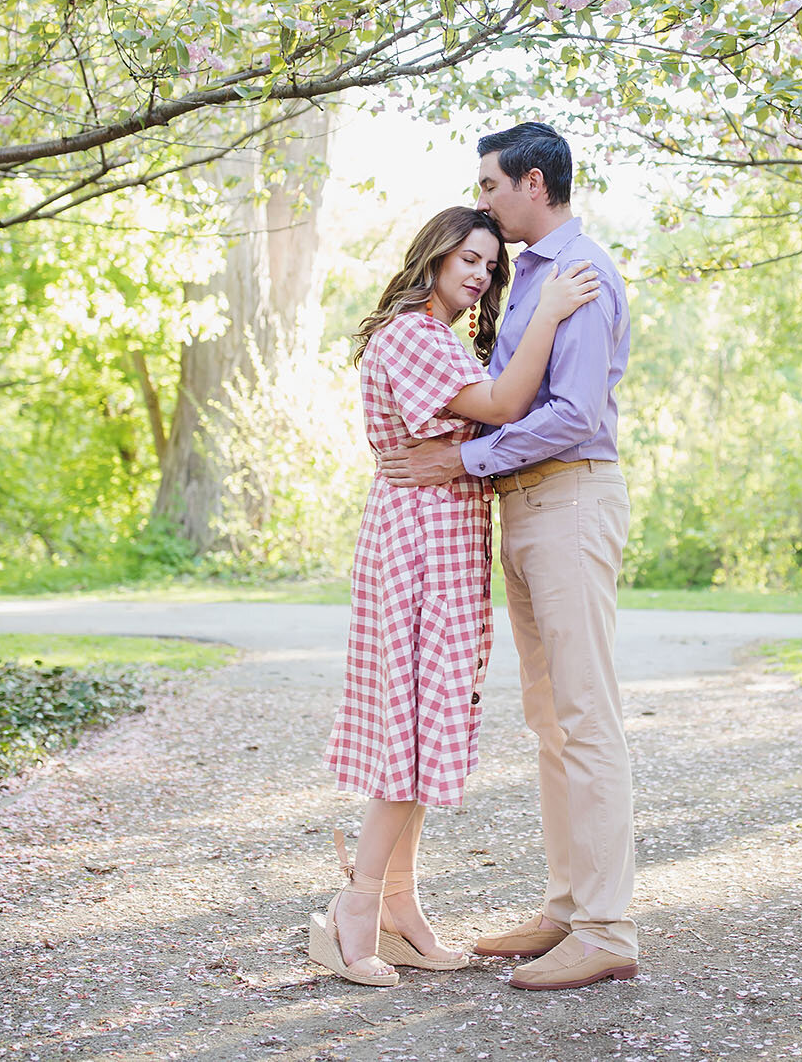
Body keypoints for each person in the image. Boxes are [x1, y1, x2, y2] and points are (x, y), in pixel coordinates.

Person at [309, 204, 599, 988]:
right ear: (433, 256)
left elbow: (484, 419)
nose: (480, 275)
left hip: (440, 543)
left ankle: (401, 907)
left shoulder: (439, 338)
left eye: (489, 266)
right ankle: (355, 912)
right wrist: (549, 311)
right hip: (414, 548)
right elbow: (504, 406)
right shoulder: (410, 334)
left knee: (427, 722)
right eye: (468, 259)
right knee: (408, 735)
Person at [377, 122, 638, 992]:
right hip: (524, 509)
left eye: (488, 184)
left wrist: (462, 458)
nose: (479, 198)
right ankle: (568, 908)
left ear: (532, 182)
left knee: (587, 714)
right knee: (550, 721)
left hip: (568, 497)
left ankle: (606, 926)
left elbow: (572, 413)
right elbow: (500, 396)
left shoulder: (581, 274)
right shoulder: (527, 280)